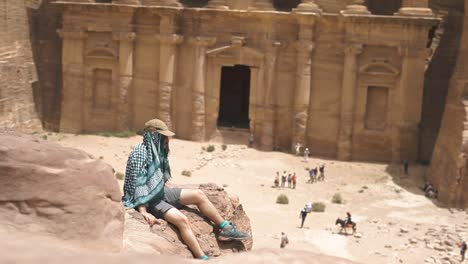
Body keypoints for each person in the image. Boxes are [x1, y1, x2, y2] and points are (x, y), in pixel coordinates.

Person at [122, 118, 250, 260]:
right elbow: (137, 183)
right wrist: (143, 210)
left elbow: (156, 179)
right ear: (154, 136)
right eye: (164, 136)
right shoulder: (140, 153)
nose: (167, 140)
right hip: (148, 200)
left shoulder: (157, 150)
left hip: (158, 192)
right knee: (182, 220)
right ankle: (202, 258)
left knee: (199, 195)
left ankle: (225, 228)